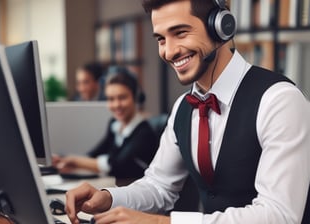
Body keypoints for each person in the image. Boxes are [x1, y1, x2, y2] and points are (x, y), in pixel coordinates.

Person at [65, 1, 310, 224]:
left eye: (180, 33)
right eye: (161, 39)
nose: (169, 52)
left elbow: (279, 215)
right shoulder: (184, 106)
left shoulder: (279, 100)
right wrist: (107, 198)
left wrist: (163, 223)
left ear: (220, 27)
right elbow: (159, 186)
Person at [53, 66, 158, 182]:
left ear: (135, 97)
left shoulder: (144, 132)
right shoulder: (115, 125)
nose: (116, 105)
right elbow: (95, 154)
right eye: (111, 99)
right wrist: (64, 159)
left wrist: (76, 161)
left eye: (122, 97)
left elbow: (116, 165)